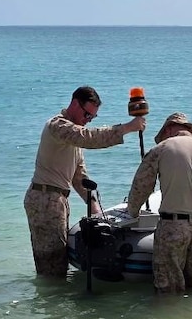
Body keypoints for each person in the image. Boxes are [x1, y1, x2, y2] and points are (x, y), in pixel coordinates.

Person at [24, 86, 147, 277]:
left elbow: (79, 177)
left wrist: (96, 210)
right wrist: (127, 128)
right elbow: (89, 138)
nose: (87, 120)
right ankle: (49, 301)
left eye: (92, 118)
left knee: (59, 262)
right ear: (74, 103)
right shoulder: (58, 126)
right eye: (86, 114)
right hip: (44, 198)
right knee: (51, 266)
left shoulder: (73, 139)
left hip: (56, 200)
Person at [125, 112, 192, 294]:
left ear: (168, 129)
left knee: (168, 289)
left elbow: (141, 187)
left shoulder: (161, 149)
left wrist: (132, 212)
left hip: (172, 226)